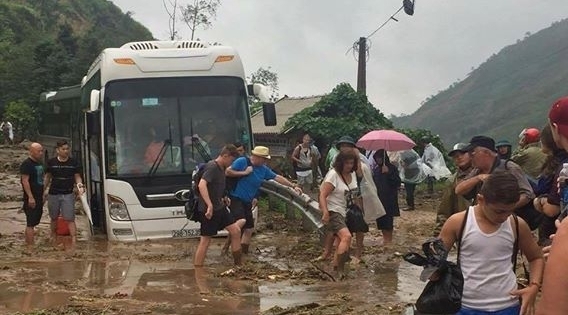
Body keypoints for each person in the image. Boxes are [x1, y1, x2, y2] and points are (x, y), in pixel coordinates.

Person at [439, 171, 543, 315]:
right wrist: (434, 270)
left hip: (507, 305)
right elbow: (436, 258)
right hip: (466, 305)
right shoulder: (458, 222)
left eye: (510, 211)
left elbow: (536, 257)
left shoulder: (516, 224)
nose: (504, 217)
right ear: (481, 200)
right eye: (499, 211)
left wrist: (534, 286)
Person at [226, 146, 302, 254]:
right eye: (264, 159)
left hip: (248, 200)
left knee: (249, 229)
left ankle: (244, 253)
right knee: (241, 221)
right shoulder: (242, 162)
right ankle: (234, 248)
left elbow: (277, 178)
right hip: (235, 197)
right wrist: (244, 173)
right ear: (257, 157)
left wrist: (293, 186)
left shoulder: (263, 169)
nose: (265, 161)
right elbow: (228, 172)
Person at [455, 136, 534, 212]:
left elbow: (527, 194)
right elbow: (459, 190)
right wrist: (478, 178)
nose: (470, 157)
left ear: (486, 152)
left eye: (473, 153)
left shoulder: (509, 167)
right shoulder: (477, 171)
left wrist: (504, 209)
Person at [194, 144, 241, 267]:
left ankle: (238, 265)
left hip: (220, 207)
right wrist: (209, 205)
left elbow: (217, 186)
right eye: (231, 160)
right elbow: (202, 185)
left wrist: (224, 197)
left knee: (235, 231)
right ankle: (198, 272)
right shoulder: (212, 167)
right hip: (208, 210)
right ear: (225, 156)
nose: (231, 164)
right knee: (205, 241)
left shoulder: (222, 168)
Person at [318, 149, 360, 278]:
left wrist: (360, 211)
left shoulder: (352, 175)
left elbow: (355, 194)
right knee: (346, 237)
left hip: (346, 211)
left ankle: (336, 268)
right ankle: (340, 269)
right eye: (347, 163)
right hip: (333, 210)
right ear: (341, 163)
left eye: (352, 163)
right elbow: (323, 195)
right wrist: (325, 212)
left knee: (340, 240)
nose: (349, 166)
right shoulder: (333, 175)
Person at [43, 140, 84, 249]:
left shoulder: (73, 162)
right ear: (58, 150)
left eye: (67, 149)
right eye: (63, 149)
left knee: (70, 218)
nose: (66, 151)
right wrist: (43, 191)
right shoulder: (51, 162)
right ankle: (53, 236)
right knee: (54, 217)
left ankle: (74, 239)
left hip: (68, 194)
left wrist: (80, 186)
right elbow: (47, 177)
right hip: (53, 194)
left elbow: (77, 176)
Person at [532, 124, 567, 246]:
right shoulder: (557, 162)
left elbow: (552, 209)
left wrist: (539, 201)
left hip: (555, 230)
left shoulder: (562, 167)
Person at [433, 143, 473, 236]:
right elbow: (445, 209)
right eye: (455, 156)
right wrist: (438, 235)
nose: (459, 157)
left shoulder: (483, 173)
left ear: (471, 154)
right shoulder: (452, 181)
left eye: (462, 154)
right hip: (464, 227)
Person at [372, 150, 401, 245]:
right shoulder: (376, 170)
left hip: (389, 199)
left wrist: (388, 173)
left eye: (380, 158)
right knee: (381, 220)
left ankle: (389, 239)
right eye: (376, 158)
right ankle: (385, 238)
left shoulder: (392, 168)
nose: (378, 160)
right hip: (379, 198)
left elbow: (397, 183)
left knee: (388, 219)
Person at [20, 142, 45, 250]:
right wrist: (30, 197)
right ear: (31, 151)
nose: (41, 153)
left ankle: (31, 244)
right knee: (30, 222)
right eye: (38, 151)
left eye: (41, 151)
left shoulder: (39, 163)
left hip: (39, 196)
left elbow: (41, 179)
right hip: (31, 197)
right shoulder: (27, 164)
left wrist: (43, 194)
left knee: (35, 220)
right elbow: (24, 181)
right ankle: (30, 246)